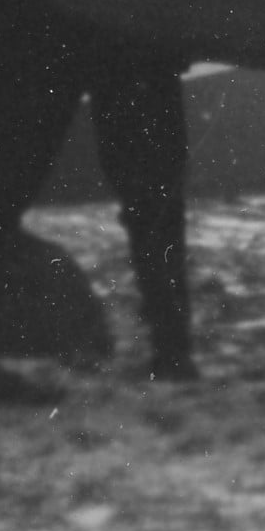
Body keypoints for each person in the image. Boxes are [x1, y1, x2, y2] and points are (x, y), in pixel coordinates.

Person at [73, 38, 196, 381]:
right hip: (145, 60)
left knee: (150, 209)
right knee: (157, 209)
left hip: (116, 61)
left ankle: (171, 345)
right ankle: (172, 346)